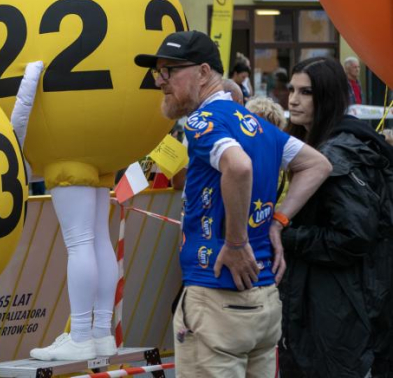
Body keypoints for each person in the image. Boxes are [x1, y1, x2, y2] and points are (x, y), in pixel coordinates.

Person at [134, 31, 331, 378]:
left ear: (203, 73)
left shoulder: (202, 120)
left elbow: (239, 166)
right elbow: (317, 165)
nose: (160, 81)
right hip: (262, 301)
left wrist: (237, 242)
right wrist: (277, 221)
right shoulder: (256, 124)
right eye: (157, 72)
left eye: (169, 71)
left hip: (215, 297)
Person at [277, 57, 393, 378]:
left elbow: (353, 235)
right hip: (326, 300)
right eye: (292, 89)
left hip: (340, 308)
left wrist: (285, 233)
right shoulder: (317, 145)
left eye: (306, 92)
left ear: (327, 96)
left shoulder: (336, 155)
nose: (293, 100)